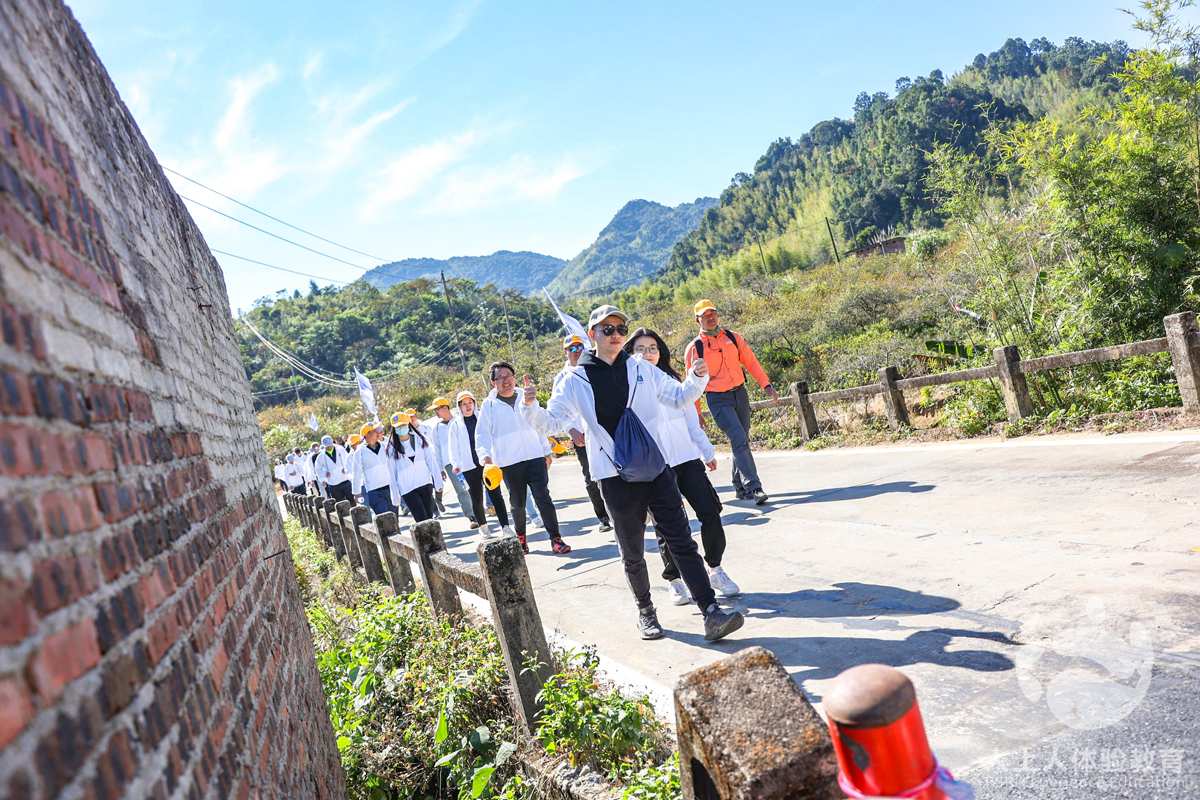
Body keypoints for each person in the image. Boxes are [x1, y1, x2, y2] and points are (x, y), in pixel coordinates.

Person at [520, 304, 744, 643]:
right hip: (613, 476)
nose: (615, 334)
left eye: (621, 329)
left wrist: (698, 377)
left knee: (681, 540)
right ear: (592, 334)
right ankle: (646, 612)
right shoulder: (574, 379)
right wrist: (529, 406)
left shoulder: (642, 368)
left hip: (655, 467)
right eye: (607, 329)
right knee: (633, 550)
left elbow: (679, 398)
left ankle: (711, 612)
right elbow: (552, 422)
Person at [625, 328, 741, 605]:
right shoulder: (628, 388)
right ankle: (675, 580)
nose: (647, 354)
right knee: (667, 527)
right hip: (657, 467)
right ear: (630, 354)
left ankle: (715, 569)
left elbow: (691, 419)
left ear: (660, 353)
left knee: (710, 512)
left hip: (688, 460)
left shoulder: (674, 381)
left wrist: (706, 450)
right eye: (640, 349)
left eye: (652, 348)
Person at [684, 300, 776, 505]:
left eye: (713, 313)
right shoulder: (695, 348)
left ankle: (740, 486)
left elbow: (751, 362)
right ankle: (754, 487)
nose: (710, 318)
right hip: (717, 399)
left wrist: (766, 385)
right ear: (697, 320)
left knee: (741, 440)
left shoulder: (733, 338)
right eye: (705, 315)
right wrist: (696, 413)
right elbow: (692, 384)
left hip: (740, 394)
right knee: (738, 438)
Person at [476, 361, 570, 555]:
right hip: (509, 462)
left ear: (514, 377)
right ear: (493, 382)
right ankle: (521, 538)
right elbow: (482, 433)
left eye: (508, 376)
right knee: (518, 504)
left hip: (535, 457)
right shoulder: (489, 405)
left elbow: (539, 423)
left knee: (543, 498)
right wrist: (485, 456)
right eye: (500, 378)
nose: (505, 380)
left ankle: (556, 539)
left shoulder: (525, 396)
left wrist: (546, 451)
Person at [554, 334, 613, 532]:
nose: (576, 351)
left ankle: (620, 513)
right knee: (591, 478)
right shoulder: (561, 378)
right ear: (565, 352)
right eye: (571, 348)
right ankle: (603, 518)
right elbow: (558, 409)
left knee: (615, 472)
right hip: (582, 437)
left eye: (579, 347)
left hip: (603, 430)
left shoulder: (593, 369)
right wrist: (571, 430)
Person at [448, 391, 515, 538]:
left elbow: (493, 438)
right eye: (464, 404)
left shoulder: (482, 418)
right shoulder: (455, 425)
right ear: (459, 406)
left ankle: (505, 527)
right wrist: (456, 464)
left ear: (474, 403)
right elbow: (453, 447)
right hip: (468, 467)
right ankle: (483, 528)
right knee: (477, 499)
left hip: (487, 464)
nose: (468, 406)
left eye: (470, 403)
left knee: (496, 496)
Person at [427, 398, 478, 524]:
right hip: (450, 465)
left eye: (437, 409)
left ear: (445, 407)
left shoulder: (459, 421)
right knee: (461, 490)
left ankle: (480, 511)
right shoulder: (436, 429)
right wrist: (440, 469)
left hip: (466, 459)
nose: (435, 412)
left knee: (474, 487)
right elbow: (437, 450)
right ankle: (471, 516)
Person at [384, 412, 442, 523]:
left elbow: (431, 461)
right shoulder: (391, 448)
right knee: (421, 519)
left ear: (408, 425)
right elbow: (392, 473)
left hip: (425, 483)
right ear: (394, 429)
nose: (401, 428)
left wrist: (438, 481)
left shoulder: (420, 439)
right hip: (408, 489)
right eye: (398, 426)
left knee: (429, 517)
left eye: (404, 425)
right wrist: (395, 496)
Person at [353, 422, 397, 516]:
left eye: (377, 430)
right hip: (374, 492)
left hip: (391, 488)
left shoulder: (385, 446)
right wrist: (356, 492)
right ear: (367, 434)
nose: (378, 432)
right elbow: (357, 473)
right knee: (384, 518)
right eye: (374, 431)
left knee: (394, 518)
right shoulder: (359, 452)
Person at [315, 435, 355, 503]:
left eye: (330, 445)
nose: (329, 447)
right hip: (333, 483)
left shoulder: (340, 449)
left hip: (345, 480)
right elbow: (318, 470)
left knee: (352, 501)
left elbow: (348, 460)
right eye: (326, 446)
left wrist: (346, 469)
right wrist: (324, 474)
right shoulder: (321, 456)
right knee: (340, 504)